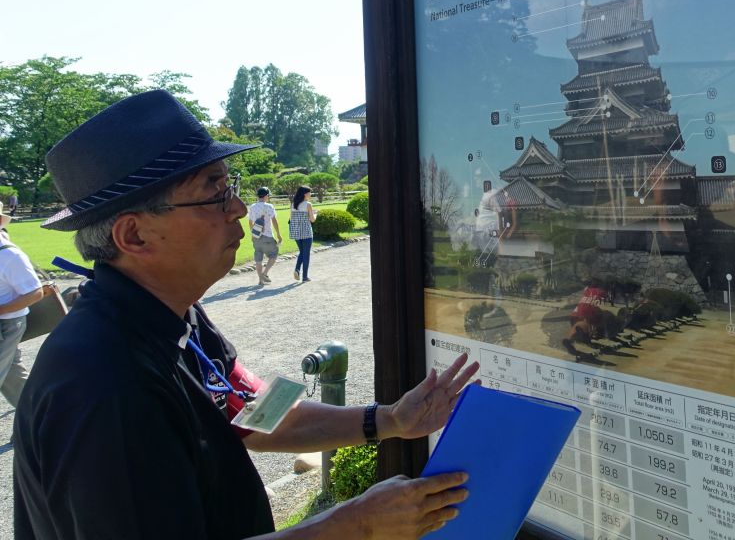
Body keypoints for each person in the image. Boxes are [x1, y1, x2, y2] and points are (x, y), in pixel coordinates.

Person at [13, 90, 478, 539]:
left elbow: (257, 413)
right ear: (134, 236)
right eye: (213, 193)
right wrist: (355, 525)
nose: (238, 208)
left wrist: (391, 419)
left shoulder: (176, 317)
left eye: (228, 185)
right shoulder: (102, 384)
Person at [0, 204, 44, 408]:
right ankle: (37, 421)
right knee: (11, 376)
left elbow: (35, 293)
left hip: (6, 326)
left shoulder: (10, 256)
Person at [248, 187, 282, 285]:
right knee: (274, 254)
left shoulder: (253, 207)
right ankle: (265, 273)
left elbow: (250, 222)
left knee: (258, 258)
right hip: (268, 236)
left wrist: (253, 234)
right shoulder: (269, 206)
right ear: (266, 195)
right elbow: (274, 221)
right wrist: (279, 234)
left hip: (256, 237)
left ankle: (260, 280)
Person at [289, 185, 317, 283]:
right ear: (305, 194)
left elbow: (291, 219)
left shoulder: (293, 204)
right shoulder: (308, 204)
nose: (310, 194)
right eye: (309, 192)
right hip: (306, 232)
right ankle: (305, 277)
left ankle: (297, 270)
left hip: (296, 232)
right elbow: (312, 220)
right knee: (306, 254)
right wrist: (315, 214)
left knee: (302, 252)